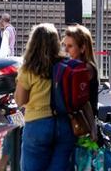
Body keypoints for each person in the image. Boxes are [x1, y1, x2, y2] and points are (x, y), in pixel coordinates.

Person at [14, 23, 72, 171]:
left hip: (36, 124)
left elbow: (21, 100)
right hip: (64, 123)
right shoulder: (66, 65)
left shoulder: (29, 69)